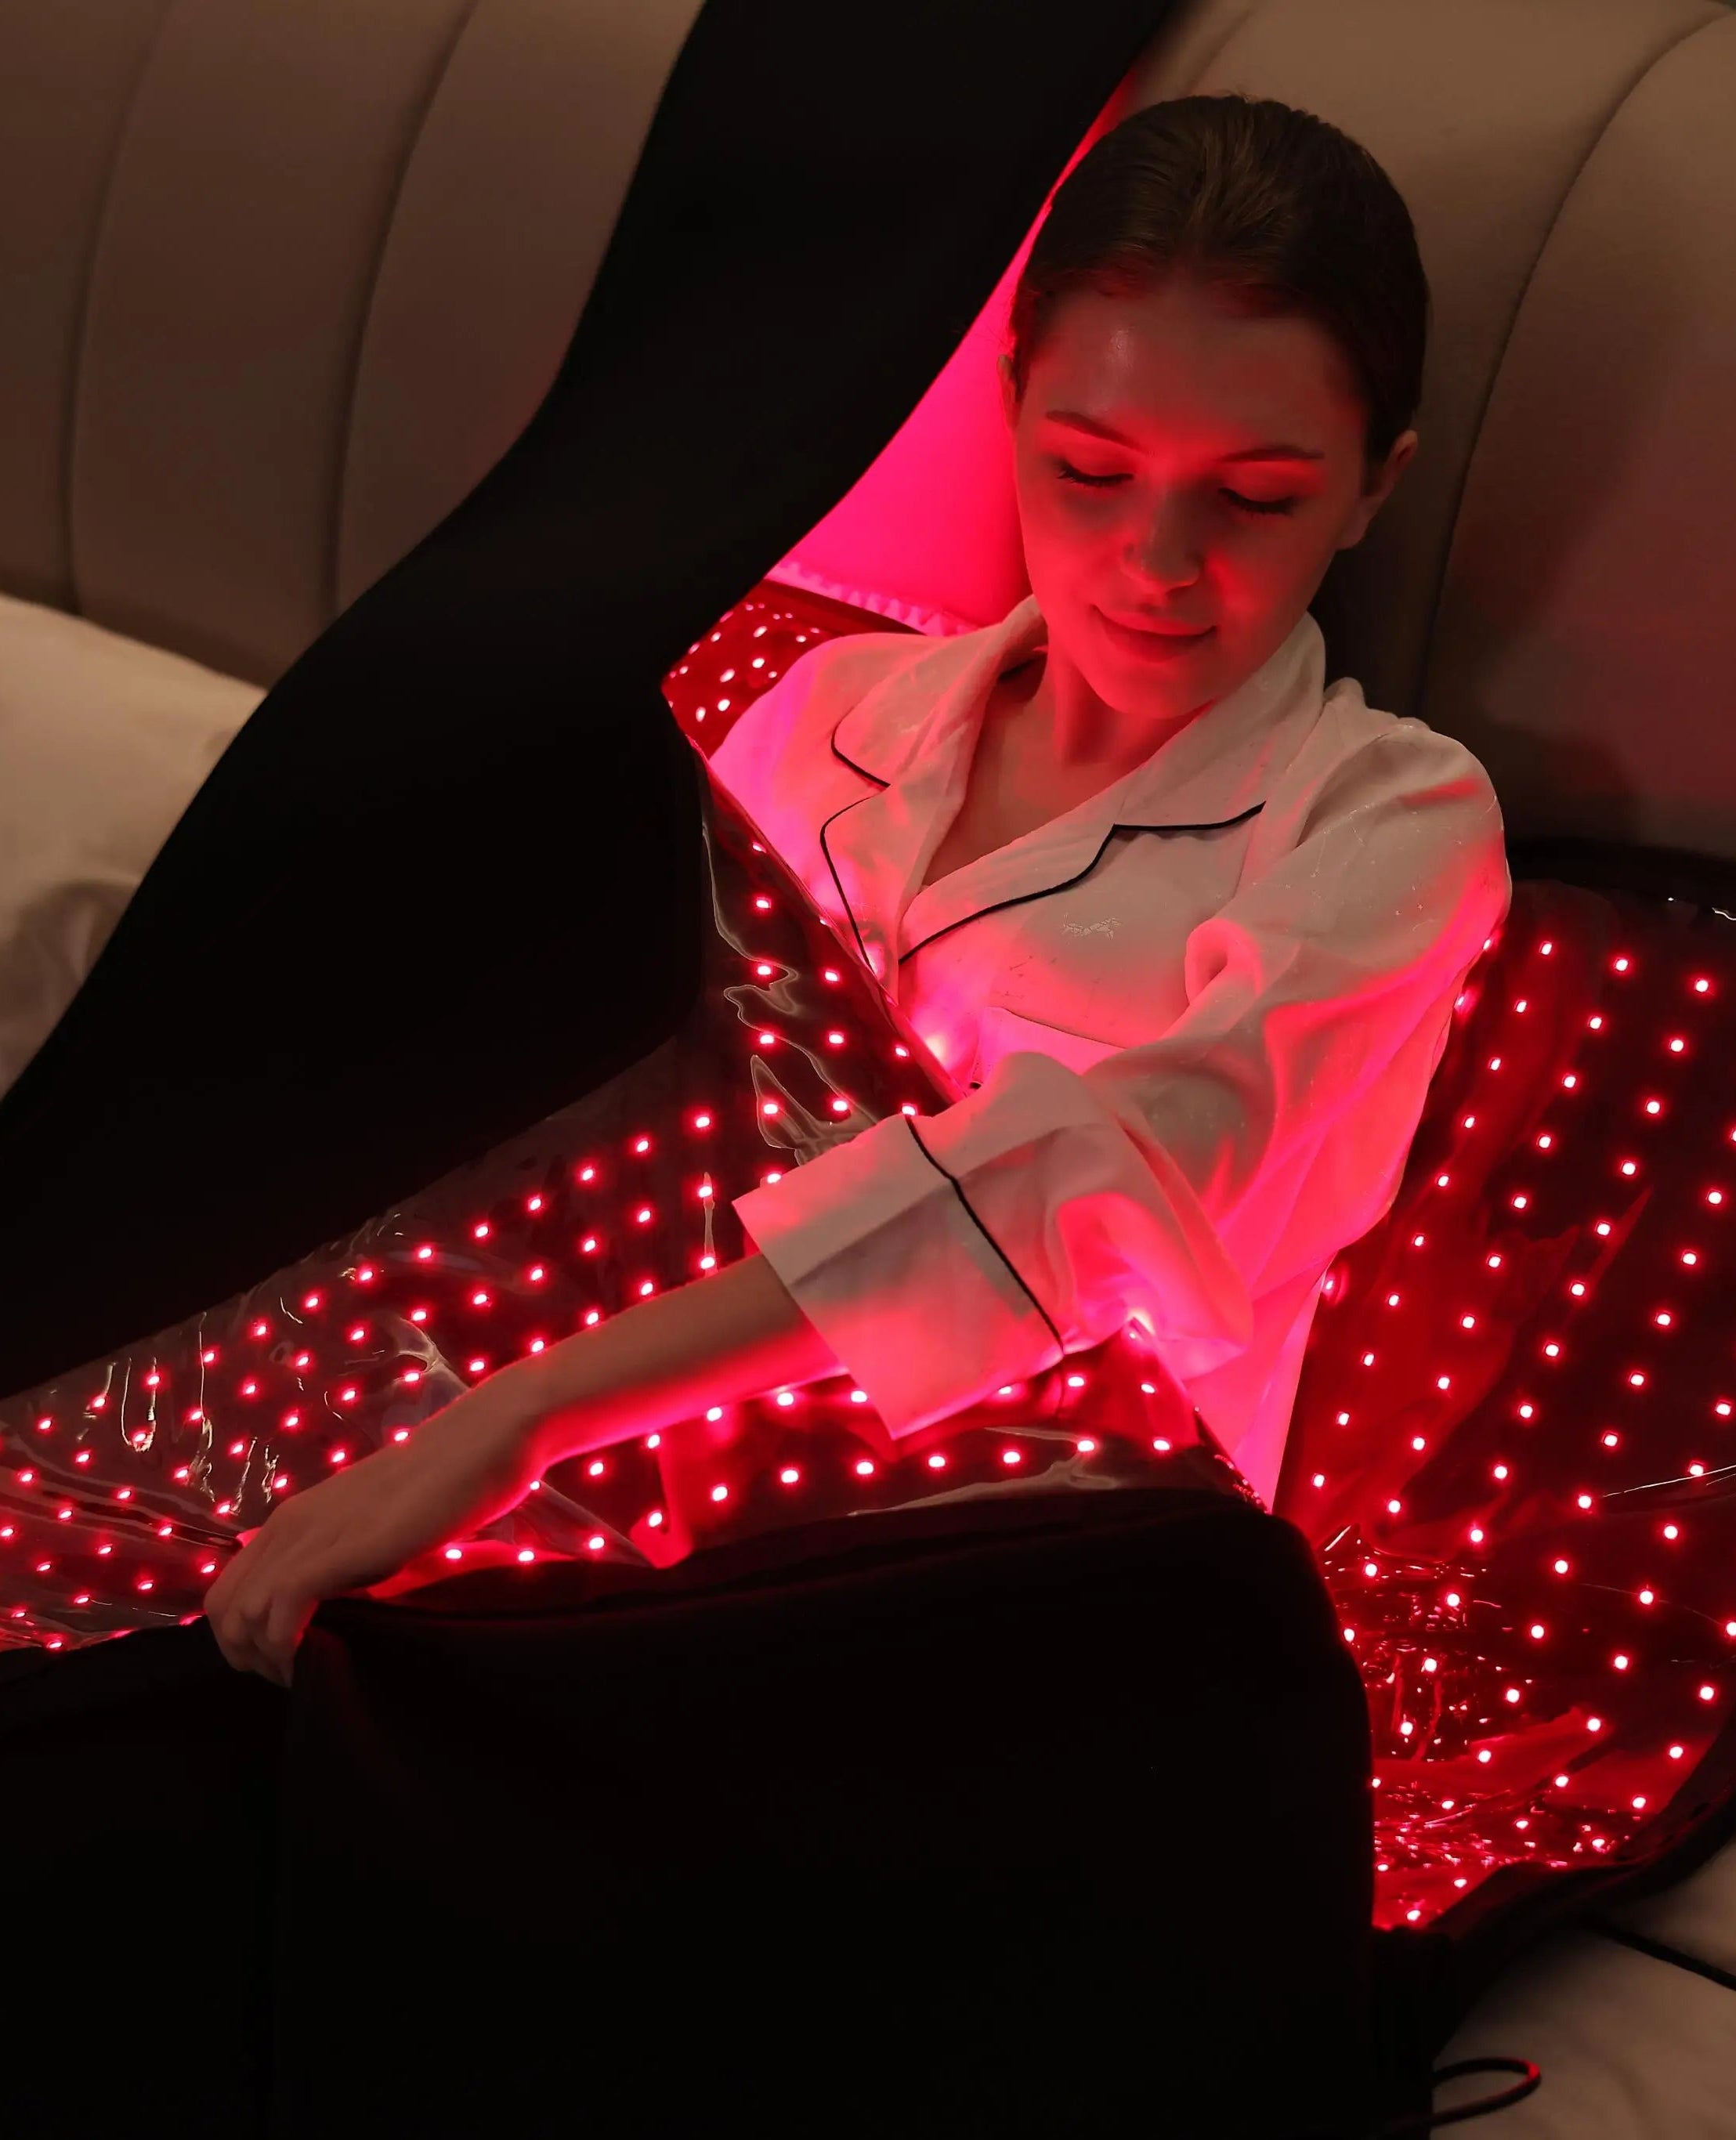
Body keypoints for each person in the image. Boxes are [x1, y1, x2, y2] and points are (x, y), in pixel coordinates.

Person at [201, 92, 1513, 1688]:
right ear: (1011, 406)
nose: (1158, 560)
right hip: (613, 1494)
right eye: (1088, 468)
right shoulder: (830, 715)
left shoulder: (1389, 823)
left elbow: (1088, 1183)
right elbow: (588, 1085)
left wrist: (522, 1417)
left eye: (1254, 498)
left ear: (1373, 486)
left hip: (1029, 1590)